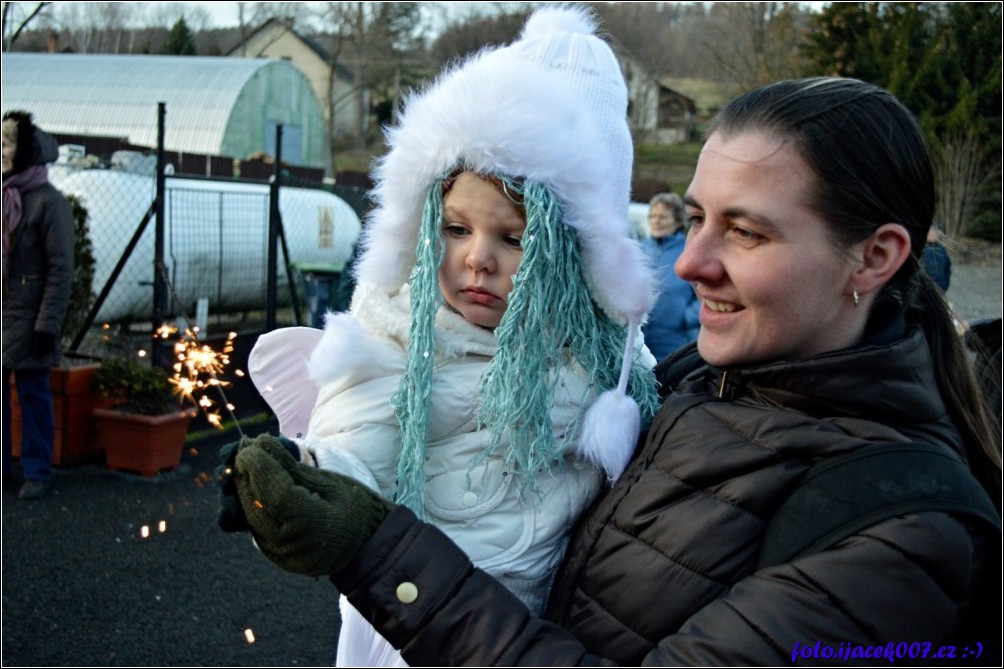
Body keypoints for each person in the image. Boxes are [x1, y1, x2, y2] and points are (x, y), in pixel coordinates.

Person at [223, 78, 1003, 665]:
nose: (690, 262)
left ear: (875, 256)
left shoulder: (906, 533)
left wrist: (383, 553)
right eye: (696, 218)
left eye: (748, 232)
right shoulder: (701, 378)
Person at [225, 6, 659, 666]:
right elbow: (355, 448)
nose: (477, 258)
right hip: (406, 625)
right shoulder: (403, 336)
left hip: (526, 634)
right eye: (457, 228)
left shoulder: (610, 360)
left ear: (578, 254)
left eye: (513, 238)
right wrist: (305, 482)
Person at [2, 110, 75, 500]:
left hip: (30, 319)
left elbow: (61, 269)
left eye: (7, 142)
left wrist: (47, 326)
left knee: (32, 394)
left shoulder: (49, 203)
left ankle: (37, 471)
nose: (0, 150)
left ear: (26, 150)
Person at [640, 192, 700, 360]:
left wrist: (688, 318)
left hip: (676, 340)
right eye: (652, 216)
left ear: (679, 220)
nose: (656, 221)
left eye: (663, 217)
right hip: (641, 341)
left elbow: (702, 290)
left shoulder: (689, 252)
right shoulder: (640, 250)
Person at [922, 223, 952, 292]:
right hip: (923, 290)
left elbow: (947, 269)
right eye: (932, 231)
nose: (935, 234)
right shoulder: (921, 249)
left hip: (940, 289)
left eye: (937, 231)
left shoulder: (942, 249)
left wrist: (945, 286)